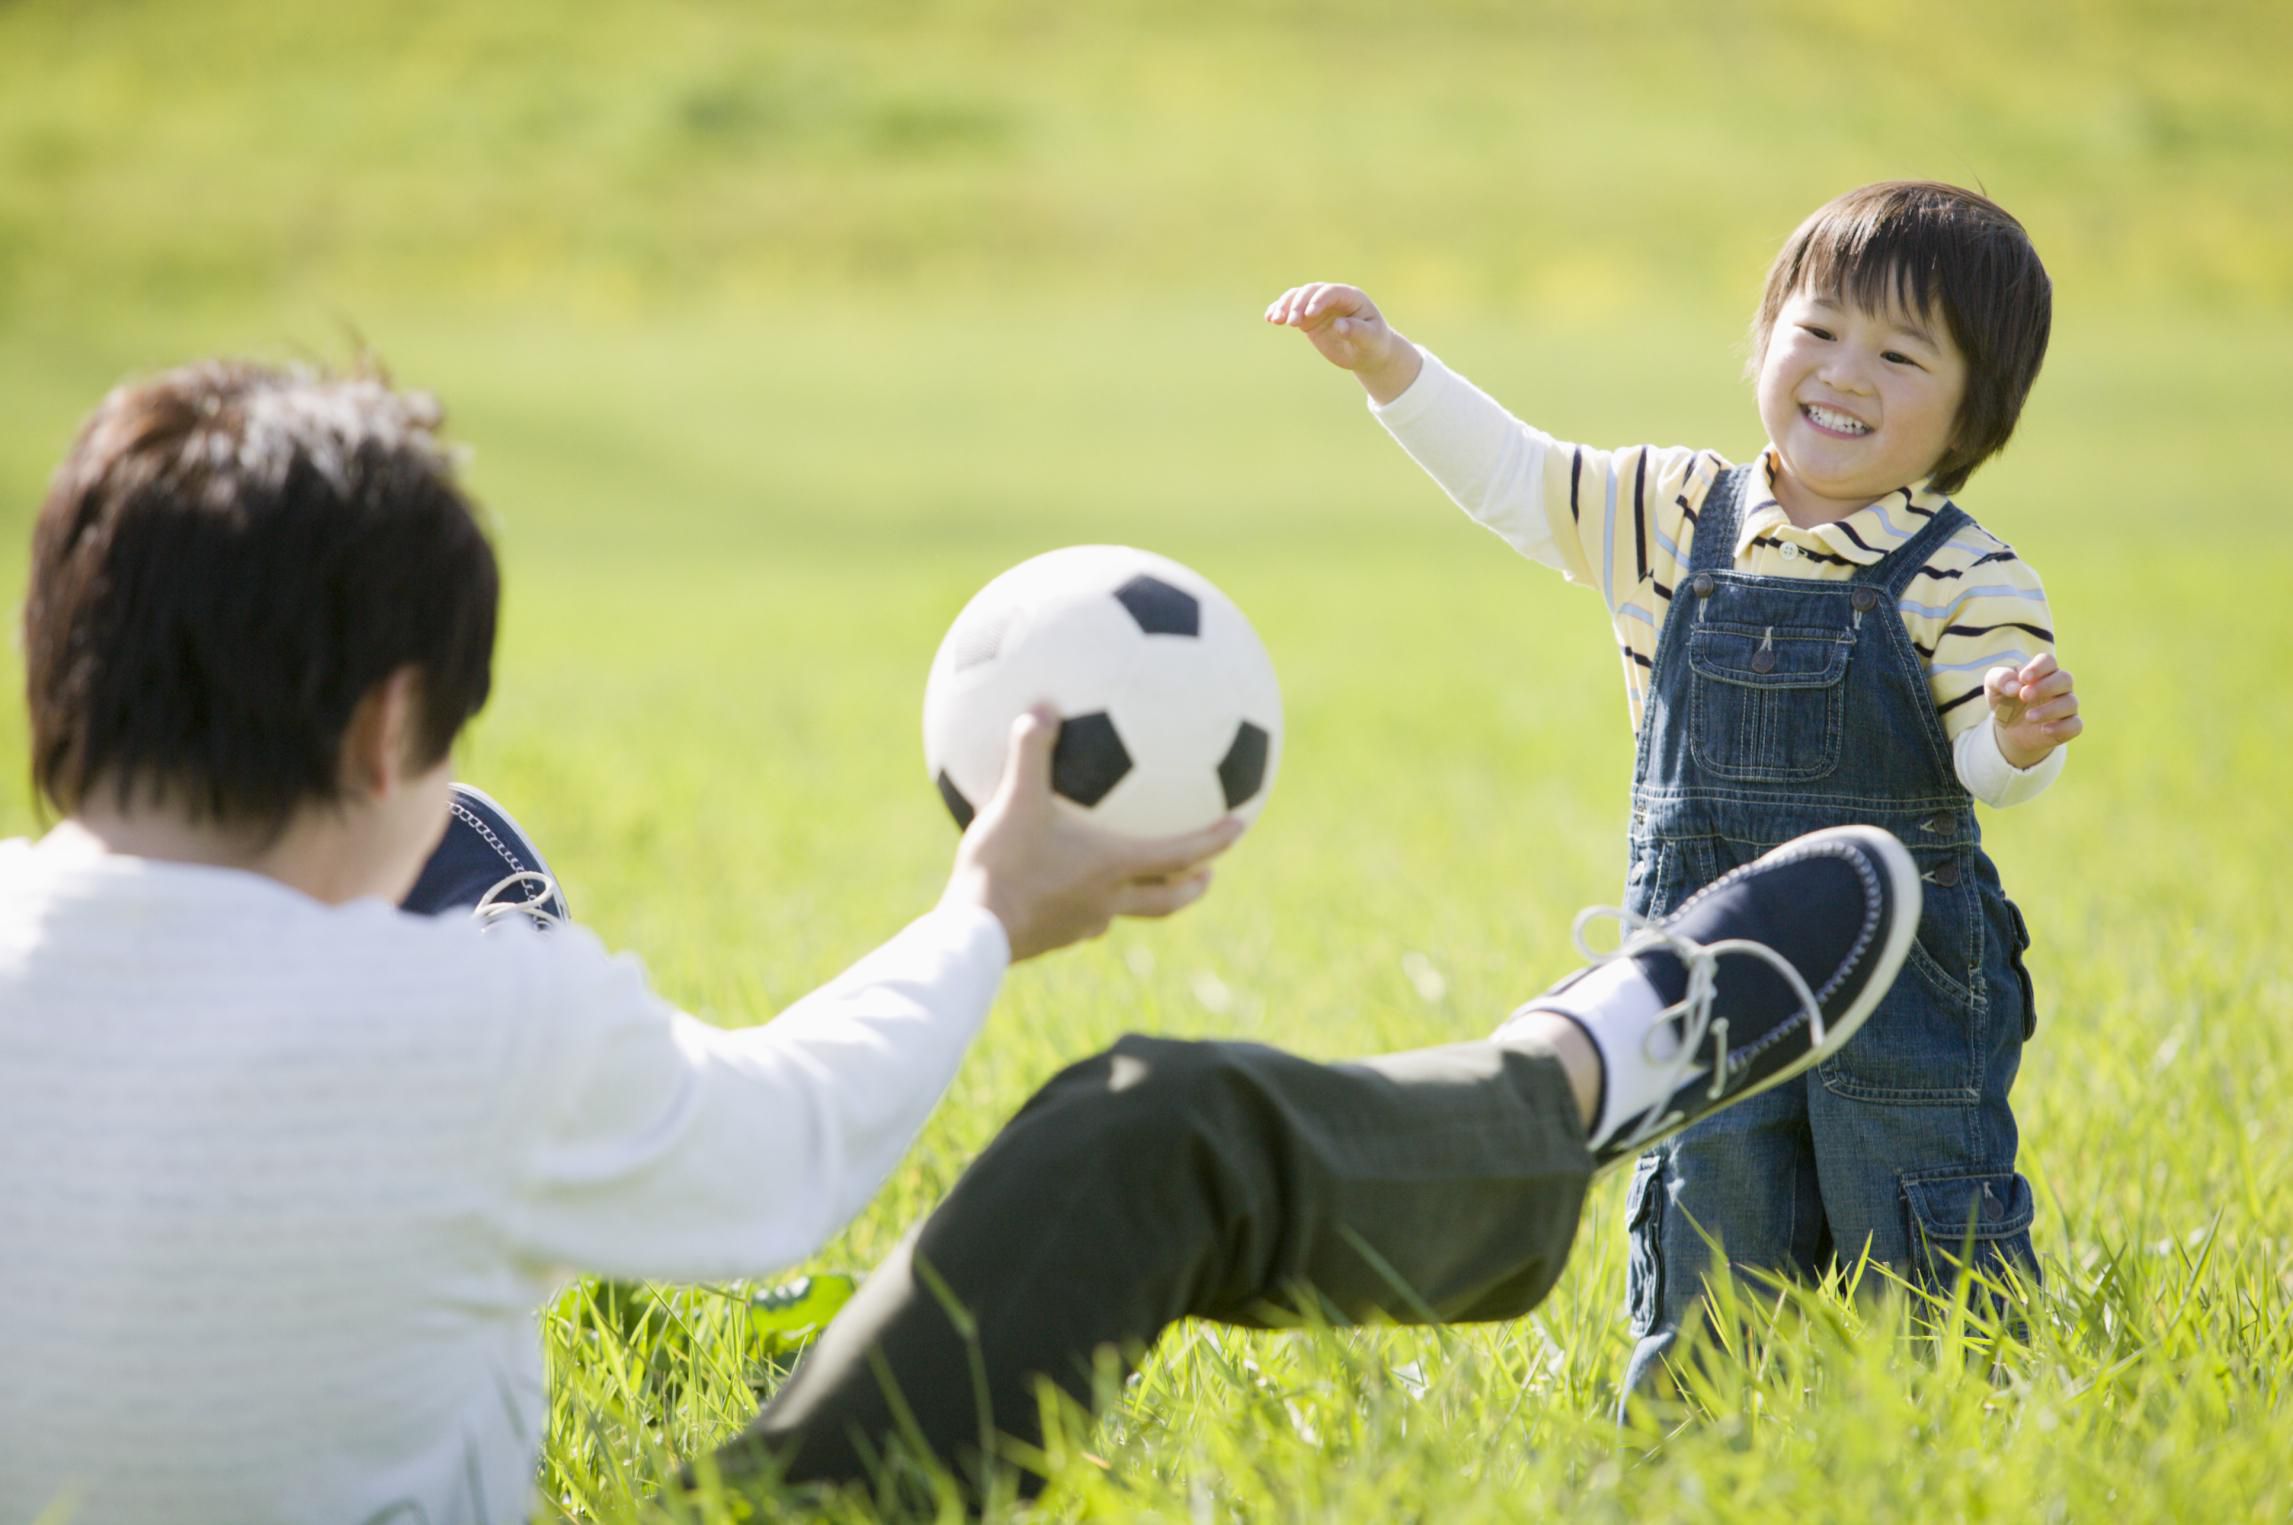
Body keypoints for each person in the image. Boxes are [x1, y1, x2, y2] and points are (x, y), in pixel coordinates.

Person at [0, 358, 1919, 1524]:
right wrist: (987, 913)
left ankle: (525, 1091)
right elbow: (778, 1171)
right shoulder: (465, 1017)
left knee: (468, 904)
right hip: (508, 1062)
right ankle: (1576, 1075)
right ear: (377, 724)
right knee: (1140, 1133)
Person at [1266, 180, 2083, 1403]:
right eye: (1816, 331)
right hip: (1704, 969)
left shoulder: (1970, 573)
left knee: (1919, 1210)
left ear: (1978, 409)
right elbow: (1514, 478)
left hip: (1908, 987)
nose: (1844, 373)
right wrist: (1389, 367)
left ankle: (1953, 1425)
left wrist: (2015, 738)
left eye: (1900, 353)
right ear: (1762, 340)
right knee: (1711, 1199)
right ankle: (1692, 1445)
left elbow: (1985, 772)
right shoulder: (1668, 510)